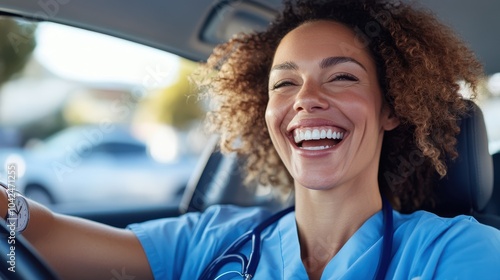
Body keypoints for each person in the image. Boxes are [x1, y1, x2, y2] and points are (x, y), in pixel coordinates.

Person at [1, 0, 500, 279]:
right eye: (284, 83)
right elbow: (36, 234)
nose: (306, 99)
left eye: (342, 77)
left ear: (392, 108)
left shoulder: (459, 252)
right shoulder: (215, 239)